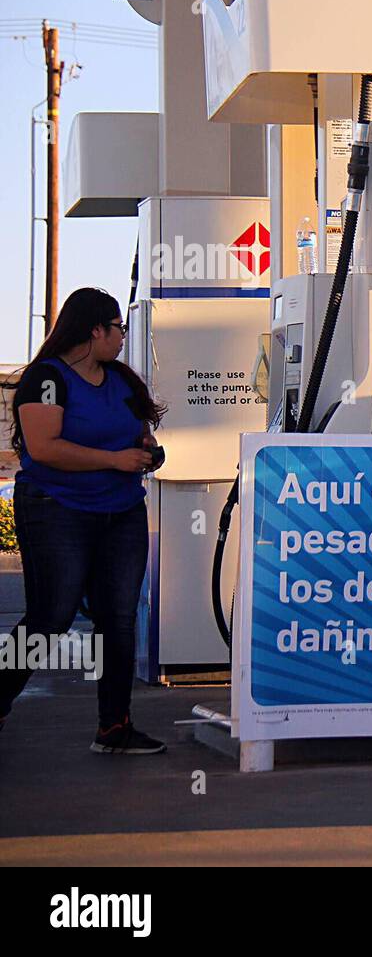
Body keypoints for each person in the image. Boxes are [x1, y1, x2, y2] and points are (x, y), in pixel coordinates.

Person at [0, 288, 167, 753]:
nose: (122, 337)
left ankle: (114, 727)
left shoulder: (122, 381)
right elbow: (44, 448)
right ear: (94, 329)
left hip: (121, 512)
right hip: (57, 509)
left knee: (117, 618)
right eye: (118, 327)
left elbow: (142, 435)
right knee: (50, 617)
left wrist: (149, 454)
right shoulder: (46, 380)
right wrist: (114, 460)